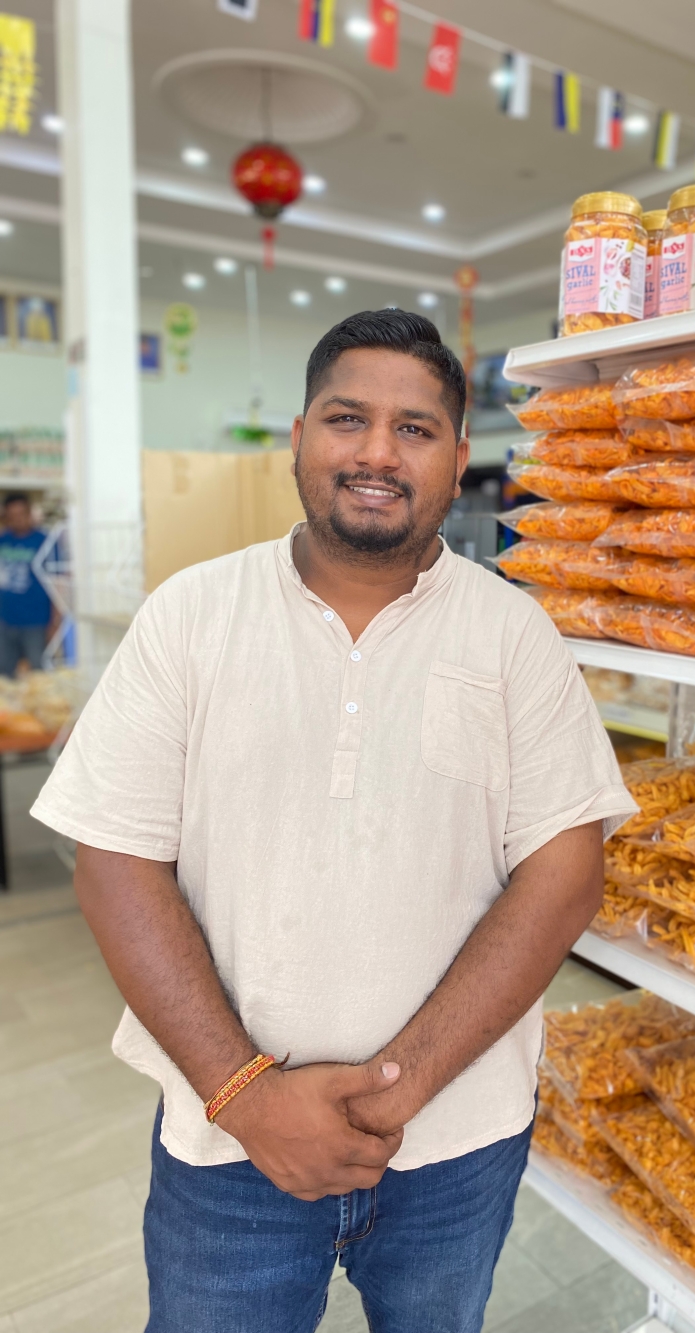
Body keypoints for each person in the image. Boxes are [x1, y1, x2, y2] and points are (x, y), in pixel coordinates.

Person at [31, 309, 636, 1333]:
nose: (376, 452)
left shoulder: (514, 635)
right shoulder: (192, 615)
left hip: (453, 1144)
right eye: (346, 418)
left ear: (457, 461)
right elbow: (115, 857)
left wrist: (402, 1085)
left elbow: (565, 871)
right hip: (226, 1147)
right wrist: (250, 1097)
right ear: (300, 440)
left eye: (415, 428)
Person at [0, 492, 54, 676]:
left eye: (21, 514)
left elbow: (58, 584)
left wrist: (56, 621)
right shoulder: (3, 540)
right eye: (12, 516)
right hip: (5, 620)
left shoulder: (45, 542)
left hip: (36, 621)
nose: (17, 520)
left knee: (39, 672)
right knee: (5, 675)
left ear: (30, 513)